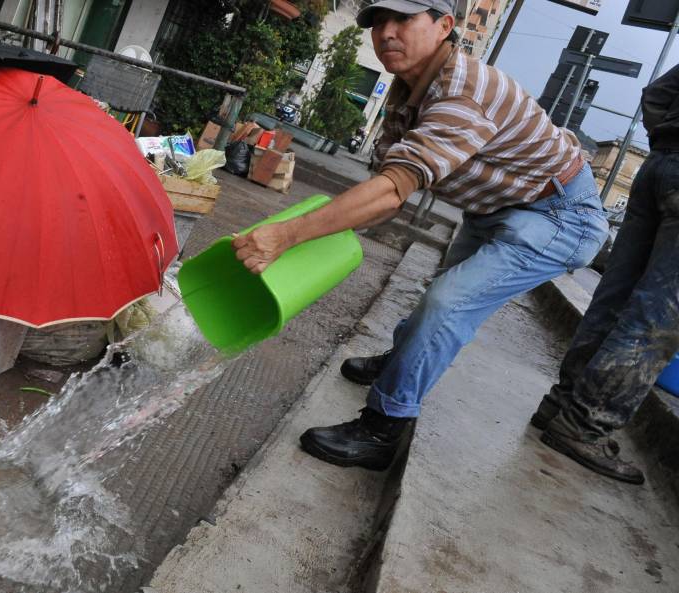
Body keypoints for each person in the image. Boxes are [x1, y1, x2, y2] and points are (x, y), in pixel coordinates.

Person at [232, 0, 609, 471]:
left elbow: (392, 192)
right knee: (439, 296)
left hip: (558, 215)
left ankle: (381, 429)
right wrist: (309, 236)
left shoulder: (464, 90)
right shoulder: (406, 91)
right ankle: (400, 359)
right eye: (378, 23)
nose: (386, 33)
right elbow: (384, 182)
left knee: (448, 304)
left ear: (444, 27)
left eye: (403, 19)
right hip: (496, 205)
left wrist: (286, 235)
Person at [532, 63, 679, 485]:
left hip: (659, 167)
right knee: (659, 318)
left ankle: (560, 405)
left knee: (615, 295)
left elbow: (655, 93)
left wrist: (666, 142)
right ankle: (584, 425)